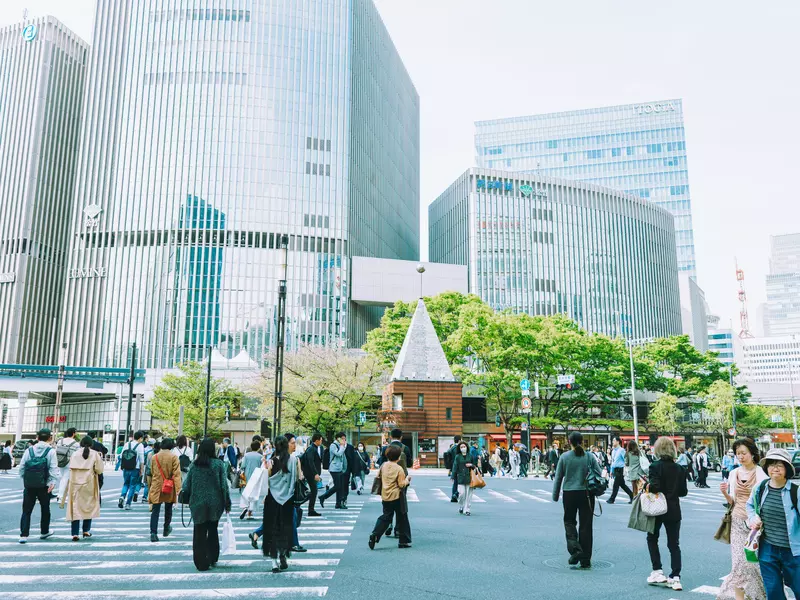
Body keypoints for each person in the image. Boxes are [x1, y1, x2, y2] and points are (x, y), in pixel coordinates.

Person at [746, 448, 800, 600]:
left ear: (787, 469)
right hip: (768, 549)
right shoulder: (760, 488)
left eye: (780, 465)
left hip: (794, 551)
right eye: (771, 464)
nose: (775, 468)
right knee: (773, 592)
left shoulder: (796, 492)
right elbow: (749, 505)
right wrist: (753, 518)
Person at [717, 438, 767, 600]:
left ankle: (761, 595)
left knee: (753, 564)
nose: (741, 456)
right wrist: (725, 493)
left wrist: (758, 520)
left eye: (744, 453)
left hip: (755, 525)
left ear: (753, 454)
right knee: (738, 563)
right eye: (738, 454)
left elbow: (763, 500)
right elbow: (733, 501)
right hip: (737, 521)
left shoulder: (760, 473)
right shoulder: (734, 473)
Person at [552, 431, 601, 569]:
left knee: (569, 522)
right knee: (586, 526)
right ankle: (585, 560)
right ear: (582, 441)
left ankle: (575, 549)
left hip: (569, 493)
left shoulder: (564, 457)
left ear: (569, 442)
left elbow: (558, 478)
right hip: (586, 493)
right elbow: (598, 473)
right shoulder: (589, 456)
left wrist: (555, 496)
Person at [182, 437, 231, 571]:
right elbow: (224, 486)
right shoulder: (218, 464)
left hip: (197, 502)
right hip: (215, 503)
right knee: (213, 529)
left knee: (199, 532)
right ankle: (212, 557)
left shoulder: (194, 465)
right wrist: (227, 502)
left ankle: (200, 562)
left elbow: (186, 485)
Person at [645, 437, 688, 592]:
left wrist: (648, 485)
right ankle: (676, 576)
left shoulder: (655, 466)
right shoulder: (680, 469)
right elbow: (683, 492)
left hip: (657, 509)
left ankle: (657, 571)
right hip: (674, 509)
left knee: (652, 538)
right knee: (674, 544)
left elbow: (655, 487)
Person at [262, 435, 299, 572]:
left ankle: (273, 561)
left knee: (272, 529)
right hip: (287, 499)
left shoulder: (271, 462)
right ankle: (283, 554)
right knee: (285, 528)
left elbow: (267, 480)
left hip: (272, 499)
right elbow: (297, 478)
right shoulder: (294, 460)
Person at [18, 428, 60, 543]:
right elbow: (53, 468)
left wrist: (26, 479)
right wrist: (52, 482)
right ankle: (44, 531)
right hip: (44, 486)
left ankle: (23, 535)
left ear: (37, 438)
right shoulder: (51, 451)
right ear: (50, 438)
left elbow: (22, 467)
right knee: (45, 508)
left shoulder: (29, 450)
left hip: (29, 485)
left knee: (26, 510)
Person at [368, 444, 412, 550]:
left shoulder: (383, 465)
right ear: (398, 457)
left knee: (386, 516)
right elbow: (401, 484)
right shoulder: (399, 469)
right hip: (397, 496)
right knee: (402, 517)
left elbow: (378, 476)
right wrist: (408, 480)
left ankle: (375, 534)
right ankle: (403, 541)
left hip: (385, 495)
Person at [65, 434, 103, 541]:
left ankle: (75, 533)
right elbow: (100, 470)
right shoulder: (95, 454)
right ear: (91, 444)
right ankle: (86, 530)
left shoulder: (75, 454)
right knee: (88, 506)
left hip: (75, 483)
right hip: (89, 483)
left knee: (75, 507)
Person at [377, 428, 413, 539]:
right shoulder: (405, 448)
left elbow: (380, 463)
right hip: (402, 477)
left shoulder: (385, 449)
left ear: (390, 437)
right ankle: (398, 530)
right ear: (401, 437)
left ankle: (388, 524)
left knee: (387, 505)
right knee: (400, 507)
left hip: (387, 478)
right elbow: (410, 463)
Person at [148, 437, 181, 542]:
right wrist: (179, 489)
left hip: (157, 485)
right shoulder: (174, 457)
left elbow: (152, 472)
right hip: (169, 486)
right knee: (168, 508)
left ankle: (153, 533)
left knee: (155, 510)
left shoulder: (154, 457)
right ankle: (166, 528)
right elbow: (177, 474)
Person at [319, 432, 348, 509]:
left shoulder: (341, 445)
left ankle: (338, 504)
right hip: (334, 468)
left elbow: (343, 458)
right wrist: (342, 447)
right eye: (342, 438)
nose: (344, 440)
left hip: (340, 468)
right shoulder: (333, 445)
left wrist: (345, 468)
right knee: (337, 486)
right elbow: (338, 454)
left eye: (345, 439)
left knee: (340, 486)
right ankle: (323, 497)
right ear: (338, 438)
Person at [118, 431, 145, 510]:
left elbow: (121, 455)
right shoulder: (140, 445)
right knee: (132, 486)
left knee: (125, 484)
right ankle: (128, 504)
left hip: (126, 468)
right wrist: (141, 470)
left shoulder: (127, 444)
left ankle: (122, 496)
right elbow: (142, 459)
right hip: (135, 469)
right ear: (140, 438)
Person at [239, 440, 265, 519]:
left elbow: (242, 466)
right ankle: (249, 513)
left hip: (247, 476)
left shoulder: (246, 455)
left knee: (246, 493)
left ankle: (245, 507)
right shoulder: (260, 457)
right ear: (258, 448)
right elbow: (262, 467)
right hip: (256, 477)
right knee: (254, 495)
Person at [301, 434, 324, 517]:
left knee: (314, 491)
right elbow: (311, 462)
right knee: (313, 491)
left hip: (310, 473)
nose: (321, 441)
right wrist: (315, 474)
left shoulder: (314, 448)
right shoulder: (311, 448)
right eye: (321, 440)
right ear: (317, 440)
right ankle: (310, 509)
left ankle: (311, 509)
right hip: (310, 473)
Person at [55, 428, 79, 504]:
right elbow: (77, 455)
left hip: (60, 461)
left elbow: (56, 450)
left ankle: (62, 495)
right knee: (65, 479)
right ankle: (61, 496)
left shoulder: (60, 441)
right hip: (69, 462)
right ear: (73, 433)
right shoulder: (75, 443)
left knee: (62, 478)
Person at [452, 441, 476, 516]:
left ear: (467, 447)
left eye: (464, 447)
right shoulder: (458, 456)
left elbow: (475, 465)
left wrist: (471, 465)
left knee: (469, 495)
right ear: (459, 448)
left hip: (469, 477)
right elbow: (455, 466)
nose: (463, 448)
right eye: (461, 447)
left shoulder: (470, 455)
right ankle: (461, 505)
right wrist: (453, 475)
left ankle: (467, 509)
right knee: (462, 494)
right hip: (461, 477)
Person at [607, 435, 633, 504]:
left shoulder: (621, 450)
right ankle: (632, 495)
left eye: (614, 440)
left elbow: (626, 459)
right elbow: (613, 461)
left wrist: (626, 467)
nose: (613, 442)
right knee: (622, 485)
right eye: (612, 441)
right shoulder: (613, 451)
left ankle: (612, 499)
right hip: (615, 469)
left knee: (616, 485)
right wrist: (611, 471)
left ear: (618, 442)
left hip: (620, 469)